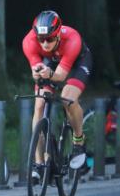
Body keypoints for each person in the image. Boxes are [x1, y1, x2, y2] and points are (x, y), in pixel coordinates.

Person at [22, 10, 92, 171]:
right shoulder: (29, 42)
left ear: (58, 34)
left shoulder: (72, 38)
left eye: (50, 39)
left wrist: (50, 74)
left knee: (68, 98)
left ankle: (78, 141)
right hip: (52, 62)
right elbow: (37, 73)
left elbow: (60, 76)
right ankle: (39, 163)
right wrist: (37, 73)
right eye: (41, 39)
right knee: (39, 104)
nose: (45, 44)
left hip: (77, 63)